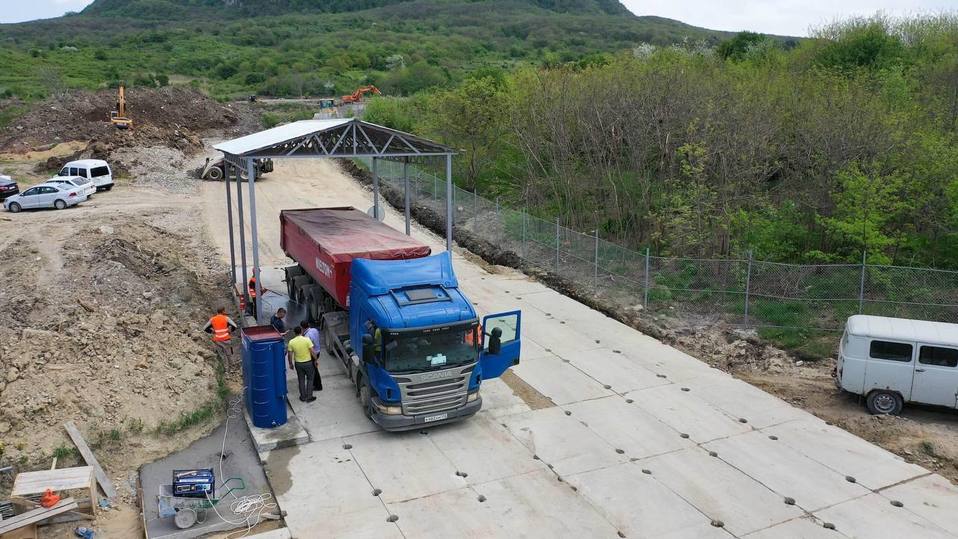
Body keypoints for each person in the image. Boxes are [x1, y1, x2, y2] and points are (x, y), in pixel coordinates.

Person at [287, 326, 317, 402]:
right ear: (301, 331)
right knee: (310, 379)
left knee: (301, 380)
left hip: (298, 364)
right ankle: (309, 396)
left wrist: (290, 364)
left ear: (294, 333)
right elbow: (312, 351)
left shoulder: (291, 342)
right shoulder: (307, 340)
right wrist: (315, 360)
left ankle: (303, 397)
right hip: (308, 363)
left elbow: (290, 354)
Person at [301, 320, 323, 391]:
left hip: (313, 354)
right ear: (308, 325)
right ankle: (315, 384)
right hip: (318, 351)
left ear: (302, 328)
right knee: (314, 369)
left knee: (314, 371)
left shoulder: (307, 336)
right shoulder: (314, 330)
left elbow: (309, 347)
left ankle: (318, 386)